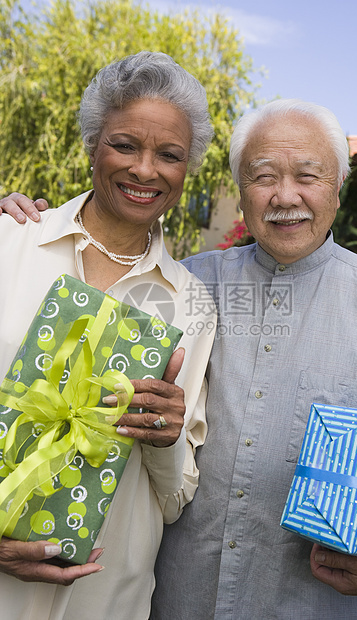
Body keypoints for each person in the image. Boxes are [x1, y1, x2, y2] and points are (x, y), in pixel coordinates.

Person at [3, 99, 357, 619]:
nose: (286, 197)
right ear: (240, 191)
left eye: (308, 176)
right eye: (263, 177)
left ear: (339, 184)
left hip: (305, 601)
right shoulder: (182, 288)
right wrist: (26, 234)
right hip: (174, 599)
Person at [0, 51, 216, 620]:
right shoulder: (9, 243)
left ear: (187, 167)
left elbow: (174, 498)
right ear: (92, 143)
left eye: (169, 155)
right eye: (125, 145)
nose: (146, 170)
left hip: (107, 598)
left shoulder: (191, 303)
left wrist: (167, 439)